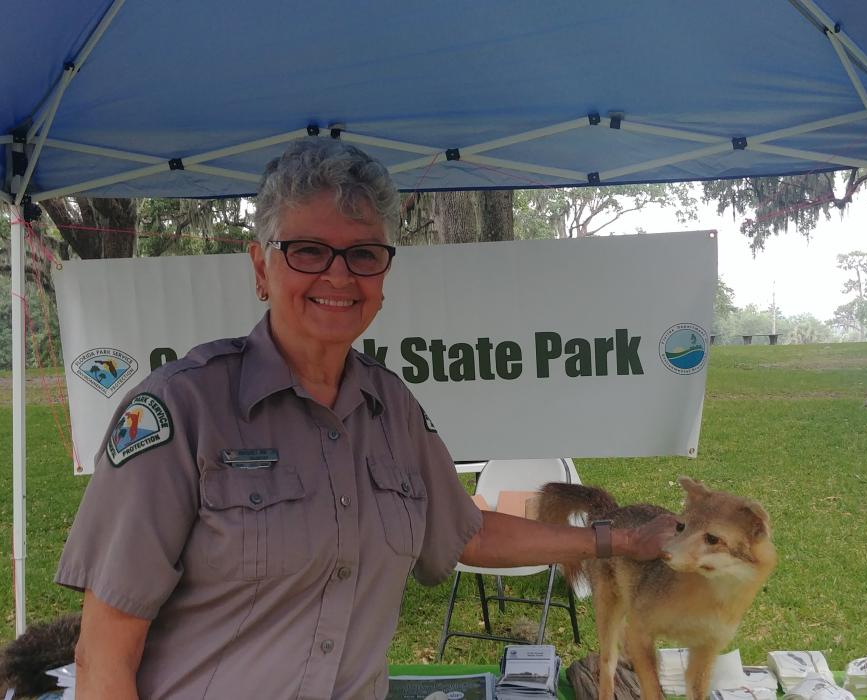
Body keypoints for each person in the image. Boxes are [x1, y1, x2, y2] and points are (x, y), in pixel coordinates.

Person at [56, 139, 678, 699]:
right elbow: (102, 657)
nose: (338, 275)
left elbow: (465, 534)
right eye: (308, 251)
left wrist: (615, 540)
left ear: (384, 272)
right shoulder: (180, 410)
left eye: (364, 255)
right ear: (259, 268)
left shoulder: (392, 410)